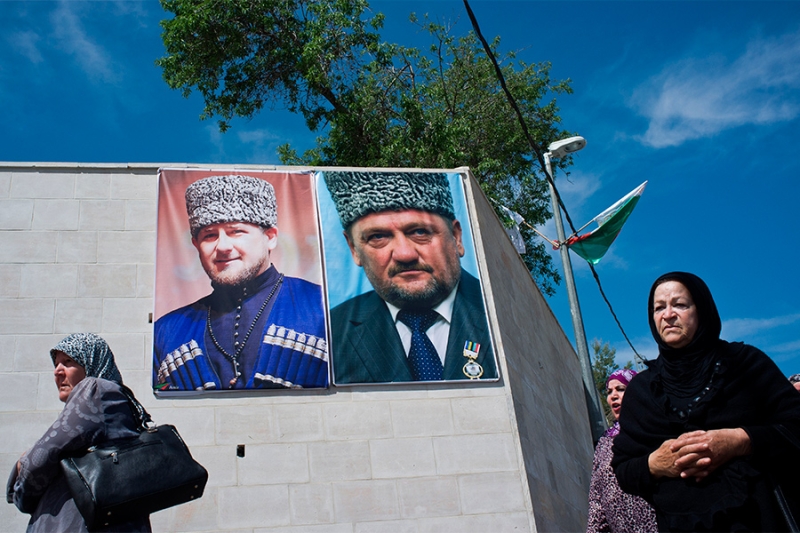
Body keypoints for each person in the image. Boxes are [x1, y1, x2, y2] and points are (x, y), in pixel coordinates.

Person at [611, 271, 800, 531]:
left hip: (760, 519)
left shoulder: (745, 364)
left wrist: (740, 441)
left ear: (703, 309)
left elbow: (795, 425)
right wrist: (656, 463)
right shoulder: (642, 392)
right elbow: (624, 469)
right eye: (658, 308)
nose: (667, 315)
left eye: (680, 304)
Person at [153, 174, 328, 391]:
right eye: (209, 236)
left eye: (236, 231)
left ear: (271, 237)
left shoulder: (324, 307)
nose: (223, 246)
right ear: (196, 245)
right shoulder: (166, 331)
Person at [324, 171, 497, 384]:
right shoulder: (327, 335)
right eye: (378, 237)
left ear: (457, 237)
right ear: (354, 249)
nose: (405, 254)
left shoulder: (506, 314)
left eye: (420, 232)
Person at [6, 333, 152, 532]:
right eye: (56, 364)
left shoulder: (95, 389)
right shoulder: (113, 398)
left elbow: (42, 457)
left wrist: (21, 468)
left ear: (92, 362)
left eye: (68, 362)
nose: (58, 371)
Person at [586, 368, 658, 533]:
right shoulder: (604, 443)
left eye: (620, 389)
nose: (613, 396)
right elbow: (596, 498)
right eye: (609, 392)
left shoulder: (652, 430)